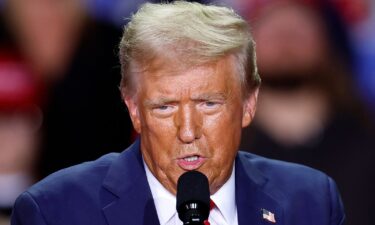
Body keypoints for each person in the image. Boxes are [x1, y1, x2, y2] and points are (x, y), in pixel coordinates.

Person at [11, 1, 345, 225]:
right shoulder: (55, 211)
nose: (188, 130)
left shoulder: (311, 202)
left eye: (209, 104)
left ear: (248, 104)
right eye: (165, 106)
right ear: (133, 109)